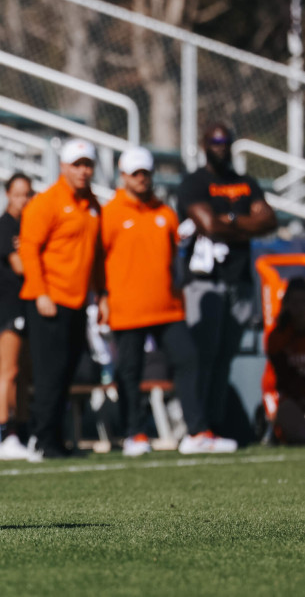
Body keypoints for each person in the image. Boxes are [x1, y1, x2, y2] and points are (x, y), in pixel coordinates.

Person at [100, 147, 236, 456]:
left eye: (145, 173)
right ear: (123, 176)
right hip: (128, 308)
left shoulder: (165, 212)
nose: (141, 179)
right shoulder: (111, 214)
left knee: (189, 360)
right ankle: (134, 434)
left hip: (167, 306)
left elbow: (178, 256)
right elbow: (98, 261)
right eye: (135, 174)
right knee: (130, 371)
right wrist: (103, 297)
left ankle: (197, 431)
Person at [177, 124, 277, 439]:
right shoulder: (195, 183)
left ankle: (216, 423)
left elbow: (269, 221)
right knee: (204, 354)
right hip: (206, 283)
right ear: (204, 143)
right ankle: (198, 424)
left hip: (240, 279)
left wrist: (229, 220)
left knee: (225, 356)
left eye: (225, 141)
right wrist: (245, 224)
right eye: (215, 140)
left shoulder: (245, 182)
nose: (221, 146)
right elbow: (207, 225)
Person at [18, 138, 104, 460]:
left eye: (88, 165)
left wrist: (101, 294)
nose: (83, 171)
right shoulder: (47, 202)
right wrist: (40, 293)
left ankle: (55, 439)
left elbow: (95, 256)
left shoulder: (93, 205)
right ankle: (41, 441)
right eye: (77, 165)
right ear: (64, 167)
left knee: (67, 373)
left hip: (78, 302)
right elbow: (29, 248)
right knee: (48, 375)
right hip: (49, 300)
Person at [0, 173, 34, 460]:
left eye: (27, 194)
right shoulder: (5, 227)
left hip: (27, 306)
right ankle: (4, 433)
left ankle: (23, 431)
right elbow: (21, 266)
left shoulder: (29, 224)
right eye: (18, 194)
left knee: (24, 374)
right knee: (8, 370)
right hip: (9, 306)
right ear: (8, 195)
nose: (23, 200)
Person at [266, 278, 305, 444]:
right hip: (291, 400)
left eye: (303, 302)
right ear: (287, 304)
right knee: (288, 414)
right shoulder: (278, 336)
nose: (300, 308)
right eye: (295, 302)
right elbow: (283, 378)